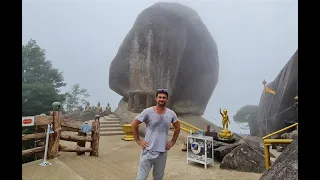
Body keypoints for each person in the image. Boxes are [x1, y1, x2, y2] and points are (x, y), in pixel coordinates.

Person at [131, 89, 181, 180]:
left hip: (162, 152)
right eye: (160, 97)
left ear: (167, 99)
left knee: (158, 178)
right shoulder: (148, 112)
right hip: (148, 151)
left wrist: (172, 142)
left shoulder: (171, 114)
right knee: (141, 178)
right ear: (156, 98)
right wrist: (138, 140)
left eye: (164, 98)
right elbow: (134, 123)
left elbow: (177, 127)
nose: (161, 99)